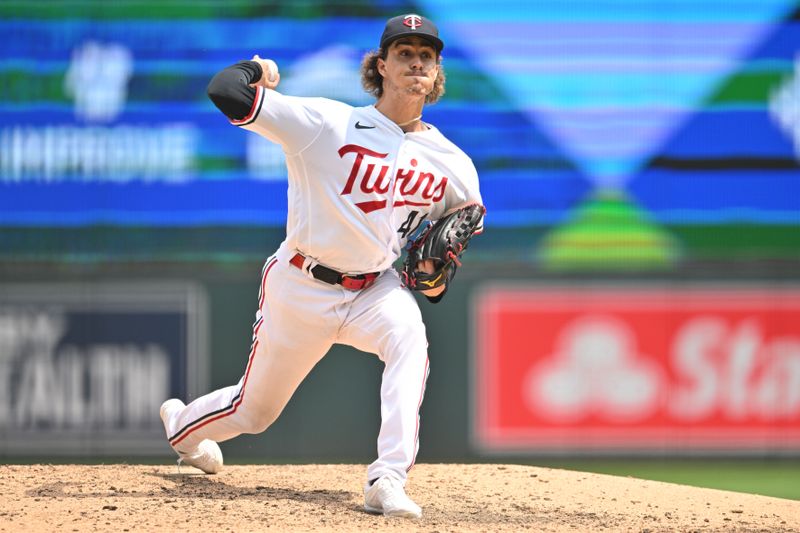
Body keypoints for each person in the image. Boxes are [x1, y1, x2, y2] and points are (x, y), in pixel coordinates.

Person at [159, 13, 483, 518]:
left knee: (410, 341)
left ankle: (387, 479)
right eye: (404, 53)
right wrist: (255, 71)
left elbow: (453, 241)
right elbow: (225, 91)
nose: (416, 62)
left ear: (437, 71)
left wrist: (439, 268)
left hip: (375, 288)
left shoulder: (453, 163)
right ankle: (182, 428)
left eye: (427, 55)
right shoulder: (327, 123)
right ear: (381, 65)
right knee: (255, 412)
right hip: (302, 283)